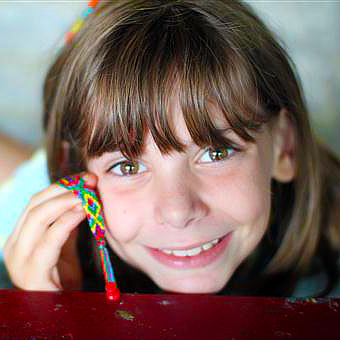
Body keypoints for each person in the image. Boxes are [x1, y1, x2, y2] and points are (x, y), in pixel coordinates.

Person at [3, 0, 340, 297]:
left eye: (216, 152)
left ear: (284, 147)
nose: (178, 212)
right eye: (128, 166)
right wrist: (49, 313)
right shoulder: (43, 224)